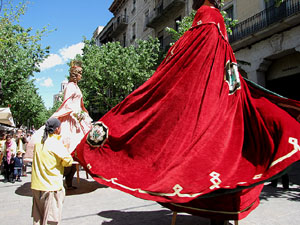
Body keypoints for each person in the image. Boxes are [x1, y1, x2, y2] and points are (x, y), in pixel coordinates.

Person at [74, 0, 300, 223]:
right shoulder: (212, 18)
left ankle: (217, 213)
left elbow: (194, 54)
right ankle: (217, 214)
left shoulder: (207, 16)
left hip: (212, 95)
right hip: (221, 94)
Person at [24, 60, 92, 189]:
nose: (82, 75)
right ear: (75, 74)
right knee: (69, 147)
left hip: (78, 118)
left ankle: (69, 180)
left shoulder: (76, 87)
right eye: (80, 73)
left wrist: (82, 115)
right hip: (71, 118)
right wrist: (75, 114)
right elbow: (67, 103)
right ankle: (63, 178)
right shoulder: (70, 86)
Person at [31, 117, 73, 225]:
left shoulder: (39, 142)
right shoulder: (55, 143)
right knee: (51, 219)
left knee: (38, 218)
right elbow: (68, 161)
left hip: (36, 186)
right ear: (57, 129)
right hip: (51, 186)